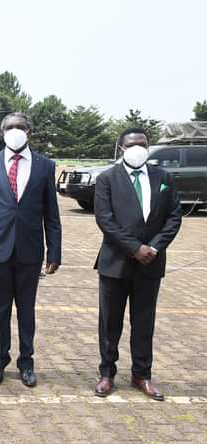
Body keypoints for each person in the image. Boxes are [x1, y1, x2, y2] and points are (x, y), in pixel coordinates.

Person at [0, 112, 62, 388]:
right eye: (10, 127)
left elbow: (52, 214)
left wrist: (54, 252)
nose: (16, 130)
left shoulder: (45, 166)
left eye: (21, 127)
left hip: (30, 250)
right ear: (2, 132)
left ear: (29, 132)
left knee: (26, 309)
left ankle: (27, 362)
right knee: (0, 309)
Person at [93, 128, 181, 401]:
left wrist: (153, 247)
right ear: (121, 148)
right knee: (110, 322)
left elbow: (173, 218)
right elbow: (105, 220)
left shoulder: (163, 178)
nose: (137, 148)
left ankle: (141, 374)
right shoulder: (107, 178)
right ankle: (107, 373)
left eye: (142, 144)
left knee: (144, 322)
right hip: (116, 262)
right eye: (131, 144)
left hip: (150, 263)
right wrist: (134, 248)